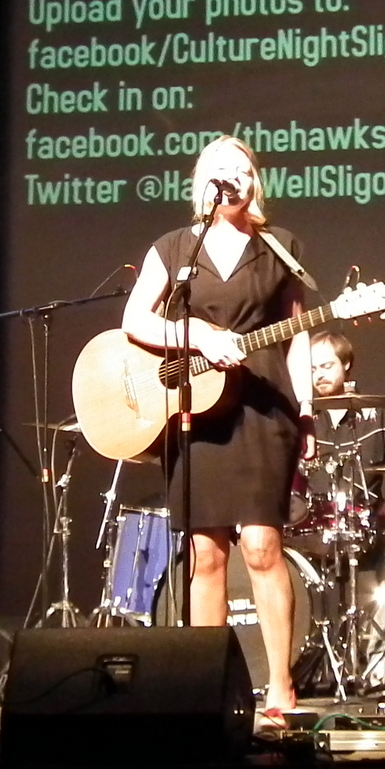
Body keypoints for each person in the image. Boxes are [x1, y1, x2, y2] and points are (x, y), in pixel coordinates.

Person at [120, 135, 314, 717]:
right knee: (205, 554)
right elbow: (135, 320)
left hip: (263, 408)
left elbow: (298, 335)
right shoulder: (175, 247)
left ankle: (280, 687)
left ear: (256, 183)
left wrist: (306, 411)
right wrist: (198, 336)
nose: (234, 179)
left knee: (261, 547)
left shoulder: (280, 247)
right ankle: (209, 688)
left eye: (244, 170)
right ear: (202, 183)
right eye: (221, 170)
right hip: (197, 410)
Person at [307, 330, 385, 679]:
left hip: (366, 528)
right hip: (310, 533)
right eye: (312, 368)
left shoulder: (380, 415)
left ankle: (379, 661)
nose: (319, 375)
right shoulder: (301, 420)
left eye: (326, 366)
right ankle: (306, 660)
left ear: (347, 364)